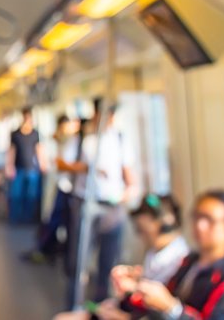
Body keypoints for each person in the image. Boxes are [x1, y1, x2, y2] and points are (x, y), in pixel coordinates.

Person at [107, 190, 224, 320]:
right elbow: (164, 298)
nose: (200, 226)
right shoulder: (190, 261)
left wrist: (172, 308)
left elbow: (169, 304)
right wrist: (134, 291)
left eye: (209, 220)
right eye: (197, 217)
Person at [53, 194, 189, 320]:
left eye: (142, 230)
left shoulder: (178, 258)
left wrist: (128, 300)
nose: (140, 234)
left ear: (162, 223)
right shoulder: (158, 251)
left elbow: (160, 302)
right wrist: (134, 276)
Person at [65, 104, 136, 306]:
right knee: (79, 261)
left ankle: (101, 306)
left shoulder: (121, 141)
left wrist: (128, 192)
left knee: (109, 261)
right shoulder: (82, 139)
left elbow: (130, 176)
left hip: (112, 206)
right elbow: (63, 163)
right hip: (86, 204)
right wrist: (91, 168)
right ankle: (74, 305)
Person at [23, 115, 77, 263]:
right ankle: (45, 248)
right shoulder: (56, 141)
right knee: (53, 218)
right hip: (58, 184)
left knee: (62, 222)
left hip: (67, 188)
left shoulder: (72, 141)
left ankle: (53, 249)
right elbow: (55, 162)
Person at [5, 106, 49, 224]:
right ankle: (15, 218)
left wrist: (43, 164)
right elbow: (12, 150)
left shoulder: (36, 134)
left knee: (31, 195)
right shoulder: (15, 134)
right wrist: (9, 165)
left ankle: (29, 219)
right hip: (18, 168)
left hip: (32, 169)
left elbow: (39, 149)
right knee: (16, 195)